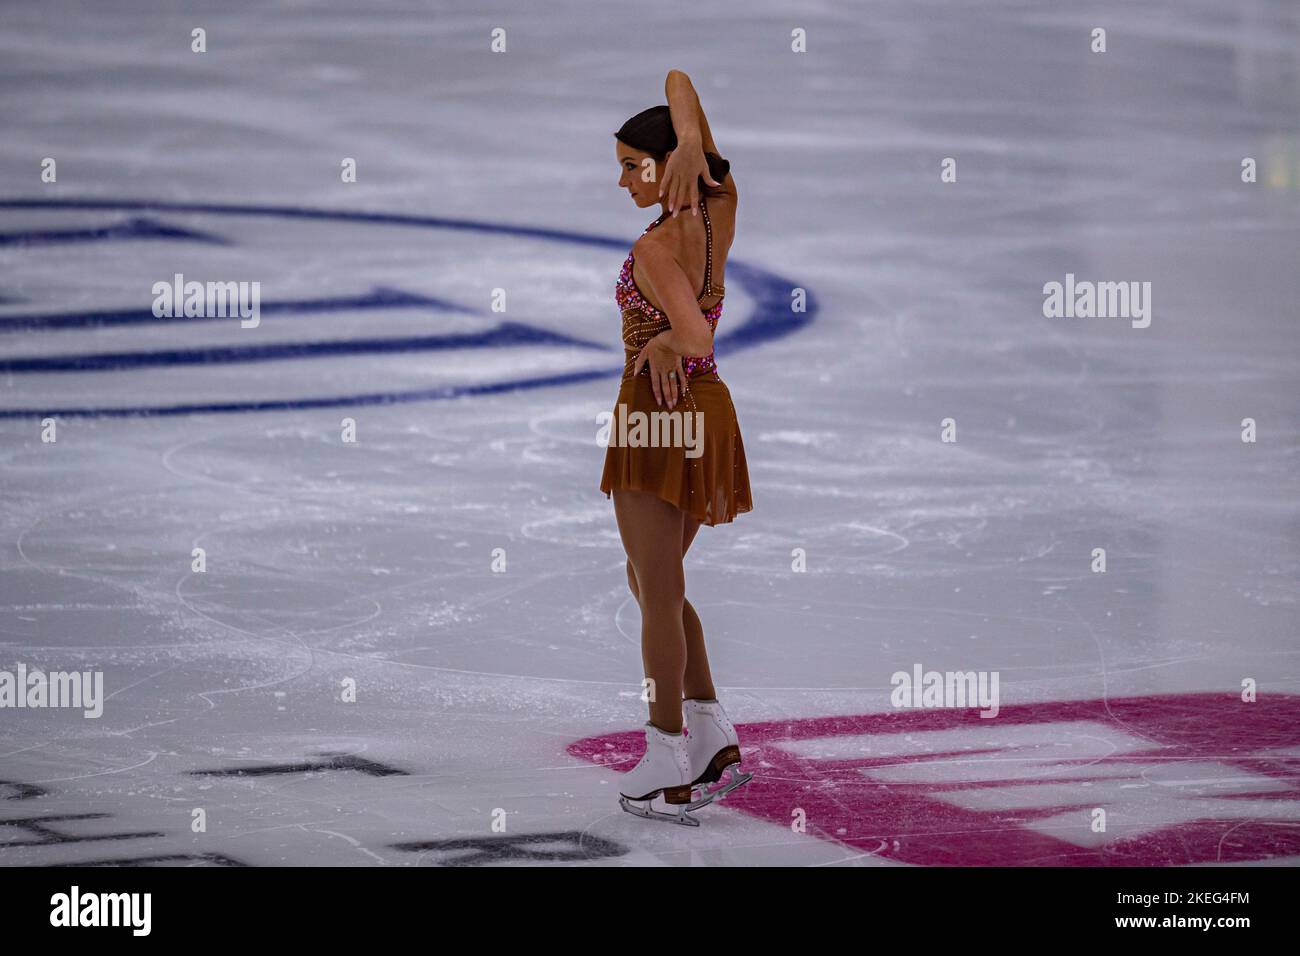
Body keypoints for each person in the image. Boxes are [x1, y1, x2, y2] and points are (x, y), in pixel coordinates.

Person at [599, 69, 753, 825]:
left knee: (655, 590)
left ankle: (665, 755)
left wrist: (663, 345)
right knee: (651, 578)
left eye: (634, 164)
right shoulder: (718, 211)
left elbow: (690, 334)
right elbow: (680, 81)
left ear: (664, 167)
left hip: (656, 414)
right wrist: (690, 141)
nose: (622, 177)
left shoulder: (657, 243)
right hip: (709, 412)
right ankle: (710, 730)